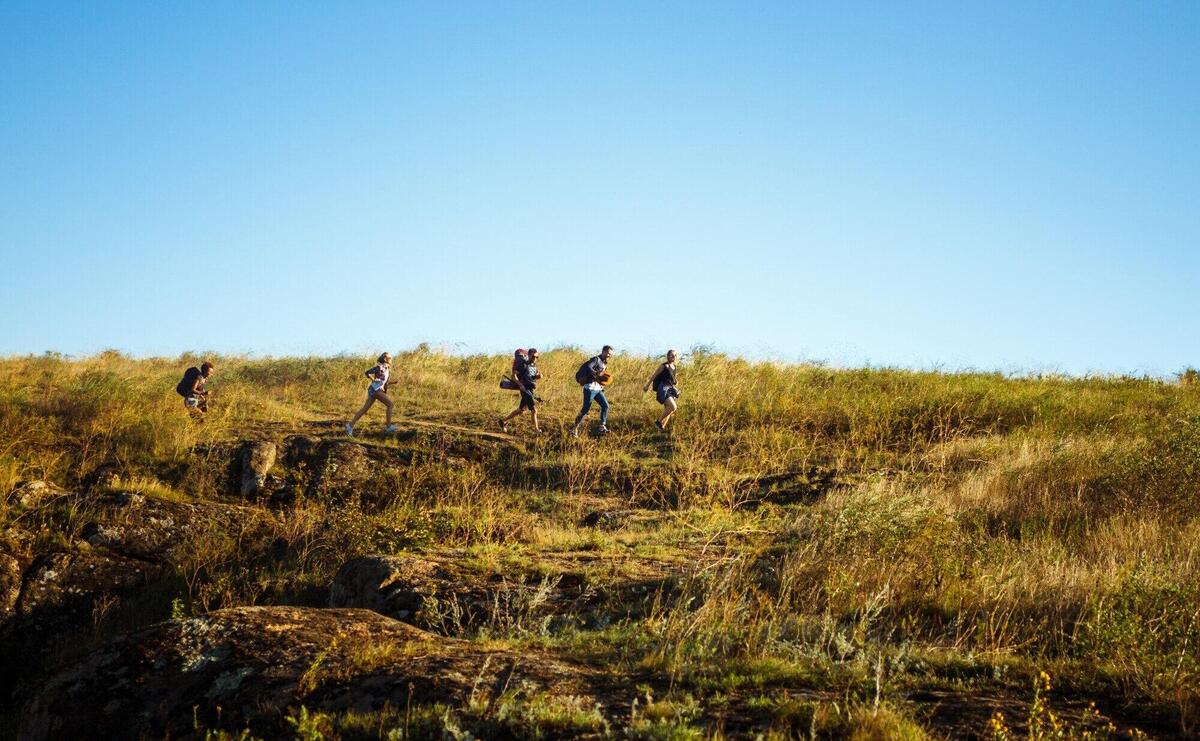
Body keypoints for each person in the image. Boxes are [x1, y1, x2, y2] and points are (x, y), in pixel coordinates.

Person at [346, 352, 396, 436]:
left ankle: (350, 426)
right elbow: (367, 372)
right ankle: (388, 427)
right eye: (390, 358)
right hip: (375, 389)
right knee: (390, 404)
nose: (391, 359)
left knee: (364, 409)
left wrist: (393, 382)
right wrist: (373, 379)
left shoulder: (387, 369)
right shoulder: (380, 367)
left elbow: (384, 382)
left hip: (375, 389)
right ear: (385, 359)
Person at [570, 345, 614, 438]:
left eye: (610, 354)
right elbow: (590, 367)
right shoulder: (596, 359)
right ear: (603, 351)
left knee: (605, 406)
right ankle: (574, 429)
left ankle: (602, 426)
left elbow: (602, 377)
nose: (609, 356)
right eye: (608, 353)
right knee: (585, 409)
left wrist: (601, 384)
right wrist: (596, 374)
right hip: (589, 388)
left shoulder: (604, 363)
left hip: (598, 389)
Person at [499, 348, 542, 432]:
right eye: (533, 356)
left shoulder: (533, 366)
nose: (535, 359)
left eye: (537, 357)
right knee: (534, 410)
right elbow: (513, 376)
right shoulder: (523, 365)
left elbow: (531, 377)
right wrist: (520, 385)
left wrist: (538, 376)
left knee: (521, 410)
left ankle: (503, 421)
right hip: (525, 389)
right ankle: (537, 430)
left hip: (530, 390)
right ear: (529, 355)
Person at [643, 349, 680, 430]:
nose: (673, 356)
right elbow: (654, 375)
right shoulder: (664, 366)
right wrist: (647, 386)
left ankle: (661, 427)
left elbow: (673, 378)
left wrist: (675, 381)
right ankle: (658, 422)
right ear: (667, 356)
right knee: (673, 407)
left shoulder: (674, 366)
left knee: (669, 409)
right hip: (663, 389)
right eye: (671, 355)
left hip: (671, 389)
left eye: (675, 355)